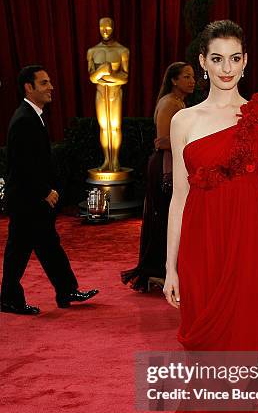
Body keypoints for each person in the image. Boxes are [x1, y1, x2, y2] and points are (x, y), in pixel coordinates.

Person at [0, 22, 258, 413]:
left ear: (247, 61)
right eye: (217, 58)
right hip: (203, 254)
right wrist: (172, 268)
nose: (226, 69)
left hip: (250, 254)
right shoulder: (183, 121)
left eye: (236, 58)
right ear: (201, 62)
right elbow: (177, 200)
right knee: (209, 358)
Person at [0, 65, 98, 314]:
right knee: (20, 251)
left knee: (45, 245)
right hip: (27, 199)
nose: (51, 87)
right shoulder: (24, 119)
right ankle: (10, 298)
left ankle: (65, 290)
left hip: (29, 198)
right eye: (44, 83)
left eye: (50, 82)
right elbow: (23, 165)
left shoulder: (33, 115)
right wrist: (45, 191)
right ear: (28, 87)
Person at [121, 62, 195, 291]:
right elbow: (162, 141)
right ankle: (158, 271)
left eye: (193, 76)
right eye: (186, 76)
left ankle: (168, 269)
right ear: (174, 80)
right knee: (164, 218)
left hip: (176, 165)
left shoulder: (180, 102)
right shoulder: (169, 103)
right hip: (165, 168)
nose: (192, 81)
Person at [87, 17, 129, 172]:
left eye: (108, 28)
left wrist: (107, 75)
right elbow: (92, 78)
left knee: (115, 127)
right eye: (102, 27)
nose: (105, 31)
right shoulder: (92, 51)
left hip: (115, 93)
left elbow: (124, 77)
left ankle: (115, 160)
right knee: (104, 128)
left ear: (113, 28)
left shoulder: (122, 51)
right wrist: (101, 71)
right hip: (100, 94)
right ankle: (107, 160)